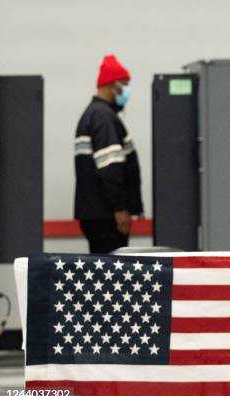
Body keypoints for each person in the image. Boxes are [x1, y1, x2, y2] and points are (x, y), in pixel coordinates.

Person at [74, 55, 143, 253]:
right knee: (111, 277)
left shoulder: (94, 114)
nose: (127, 91)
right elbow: (110, 168)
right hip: (107, 216)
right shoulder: (103, 117)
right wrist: (120, 209)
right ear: (113, 85)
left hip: (97, 214)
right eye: (125, 84)